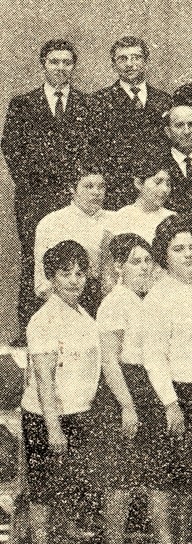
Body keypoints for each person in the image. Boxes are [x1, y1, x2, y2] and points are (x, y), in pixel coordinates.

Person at [21, 241, 101, 544]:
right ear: (51, 278)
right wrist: (53, 429)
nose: (74, 280)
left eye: (80, 273)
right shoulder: (44, 320)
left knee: (65, 493)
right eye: (65, 273)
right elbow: (44, 380)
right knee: (43, 496)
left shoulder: (83, 314)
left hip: (78, 413)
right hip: (47, 418)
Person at [140, 214, 192, 544]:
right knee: (163, 478)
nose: (188, 255)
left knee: (188, 477)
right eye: (178, 248)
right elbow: (153, 356)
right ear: (164, 255)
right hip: (167, 395)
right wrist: (170, 403)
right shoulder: (158, 297)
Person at [2, 39, 91, 334]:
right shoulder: (23, 104)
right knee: (35, 260)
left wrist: (76, 189)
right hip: (35, 198)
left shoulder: (86, 104)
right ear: (43, 65)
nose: (60, 68)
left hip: (75, 198)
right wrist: (36, 185)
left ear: (73, 66)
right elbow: (12, 149)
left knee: (76, 259)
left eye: (67, 62)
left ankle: (76, 328)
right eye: (54, 62)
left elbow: (93, 150)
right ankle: (31, 330)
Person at [95, 233, 155, 544]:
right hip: (120, 393)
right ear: (119, 267)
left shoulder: (143, 299)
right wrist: (128, 405)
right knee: (118, 483)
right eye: (135, 261)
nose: (144, 267)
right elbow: (109, 360)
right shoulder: (115, 302)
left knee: (131, 480)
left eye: (148, 260)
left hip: (144, 386)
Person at [90, 36, 173, 210]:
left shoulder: (164, 100)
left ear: (146, 62)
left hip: (156, 191)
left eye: (136, 58)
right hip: (116, 192)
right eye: (123, 59)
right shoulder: (98, 101)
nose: (130, 64)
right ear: (113, 65)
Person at [33, 164, 109, 316]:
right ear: (72, 189)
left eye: (101, 187)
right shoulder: (52, 223)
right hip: (66, 306)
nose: (96, 192)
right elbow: (42, 283)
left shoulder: (117, 219)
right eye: (89, 186)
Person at [99, 157, 174, 242]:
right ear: (138, 183)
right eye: (158, 182)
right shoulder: (120, 218)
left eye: (168, 184)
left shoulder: (172, 218)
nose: (165, 189)